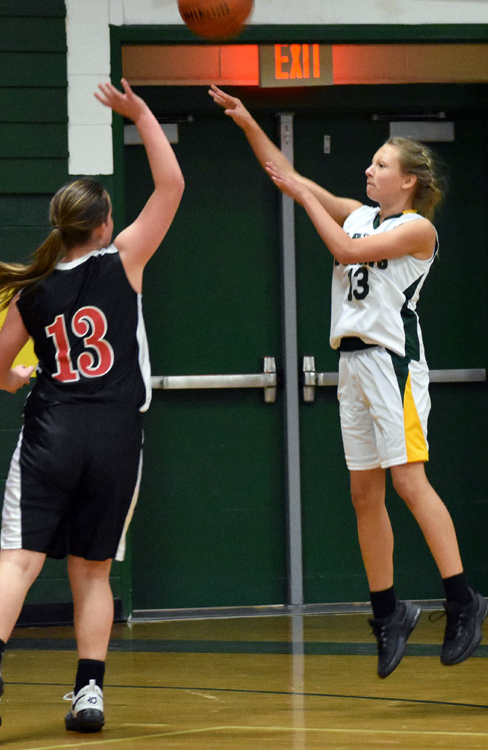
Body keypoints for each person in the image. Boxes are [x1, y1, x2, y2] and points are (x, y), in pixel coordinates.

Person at [209, 84, 487, 679]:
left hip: (393, 366)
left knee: (409, 481)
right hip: (353, 366)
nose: (369, 170)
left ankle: (463, 599)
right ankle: (389, 613)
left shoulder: (418, 230)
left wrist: (305, 199)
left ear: (407, 180)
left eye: (380, 164)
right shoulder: (362, 213)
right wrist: (247, 122)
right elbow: (287, 174)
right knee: (364, 495)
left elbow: (341, 249)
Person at [0, 79, 184, 739]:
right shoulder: (125, 261)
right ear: (105, 225)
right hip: (115, 434)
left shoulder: (31, 291)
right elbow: (171, 185)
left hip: (51, 431)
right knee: (93, 573)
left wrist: (18, 378)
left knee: (18, 561)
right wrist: (140, 112)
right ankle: (89, 693)